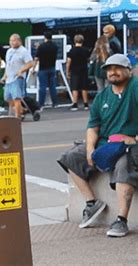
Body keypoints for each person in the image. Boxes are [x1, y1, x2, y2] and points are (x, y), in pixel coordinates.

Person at [58, 54, 138, 237]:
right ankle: (92, 203)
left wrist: (134, 139)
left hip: (129, 146)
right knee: (70, 157)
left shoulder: (135, 87)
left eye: (117, 68)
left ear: (128, 70)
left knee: (123, 166)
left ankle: (121, 220)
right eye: (109, 69)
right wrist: (89, 150)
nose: (112, 72)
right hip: (106, 143)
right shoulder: (102, 96)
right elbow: (93, 127)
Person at [1, 34, 34, 118]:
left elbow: (30, 63)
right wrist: (5, 76)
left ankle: (17, 116)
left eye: (14, 40)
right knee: (8, 98)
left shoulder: (23, 51)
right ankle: (22, 110)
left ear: (19, 41)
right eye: (11, 41)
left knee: (17, 98)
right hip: (9, 78)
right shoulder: (9, 51)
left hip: (17, 78)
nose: (12, 42)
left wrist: (21, 71)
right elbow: (8, 65)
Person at [33, 32, 59, 109]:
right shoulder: (55, 46)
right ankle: (55, 103)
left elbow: (37, 58)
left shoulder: (41, 47)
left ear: (45, 37)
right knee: (52, 86)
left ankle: (41, 103)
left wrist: (33, 68)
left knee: (42, 87)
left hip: (43, 68)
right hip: (52, 67)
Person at [66, 34, 90, 111]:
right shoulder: (86, 50)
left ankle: (75, 104)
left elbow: (69, 62)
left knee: (75, 88)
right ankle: (86, 104)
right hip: (84, 70)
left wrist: (67, 71)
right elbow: (88, 60)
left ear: (74, 41)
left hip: (74, 71)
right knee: (84, 87)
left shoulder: (72, 51)